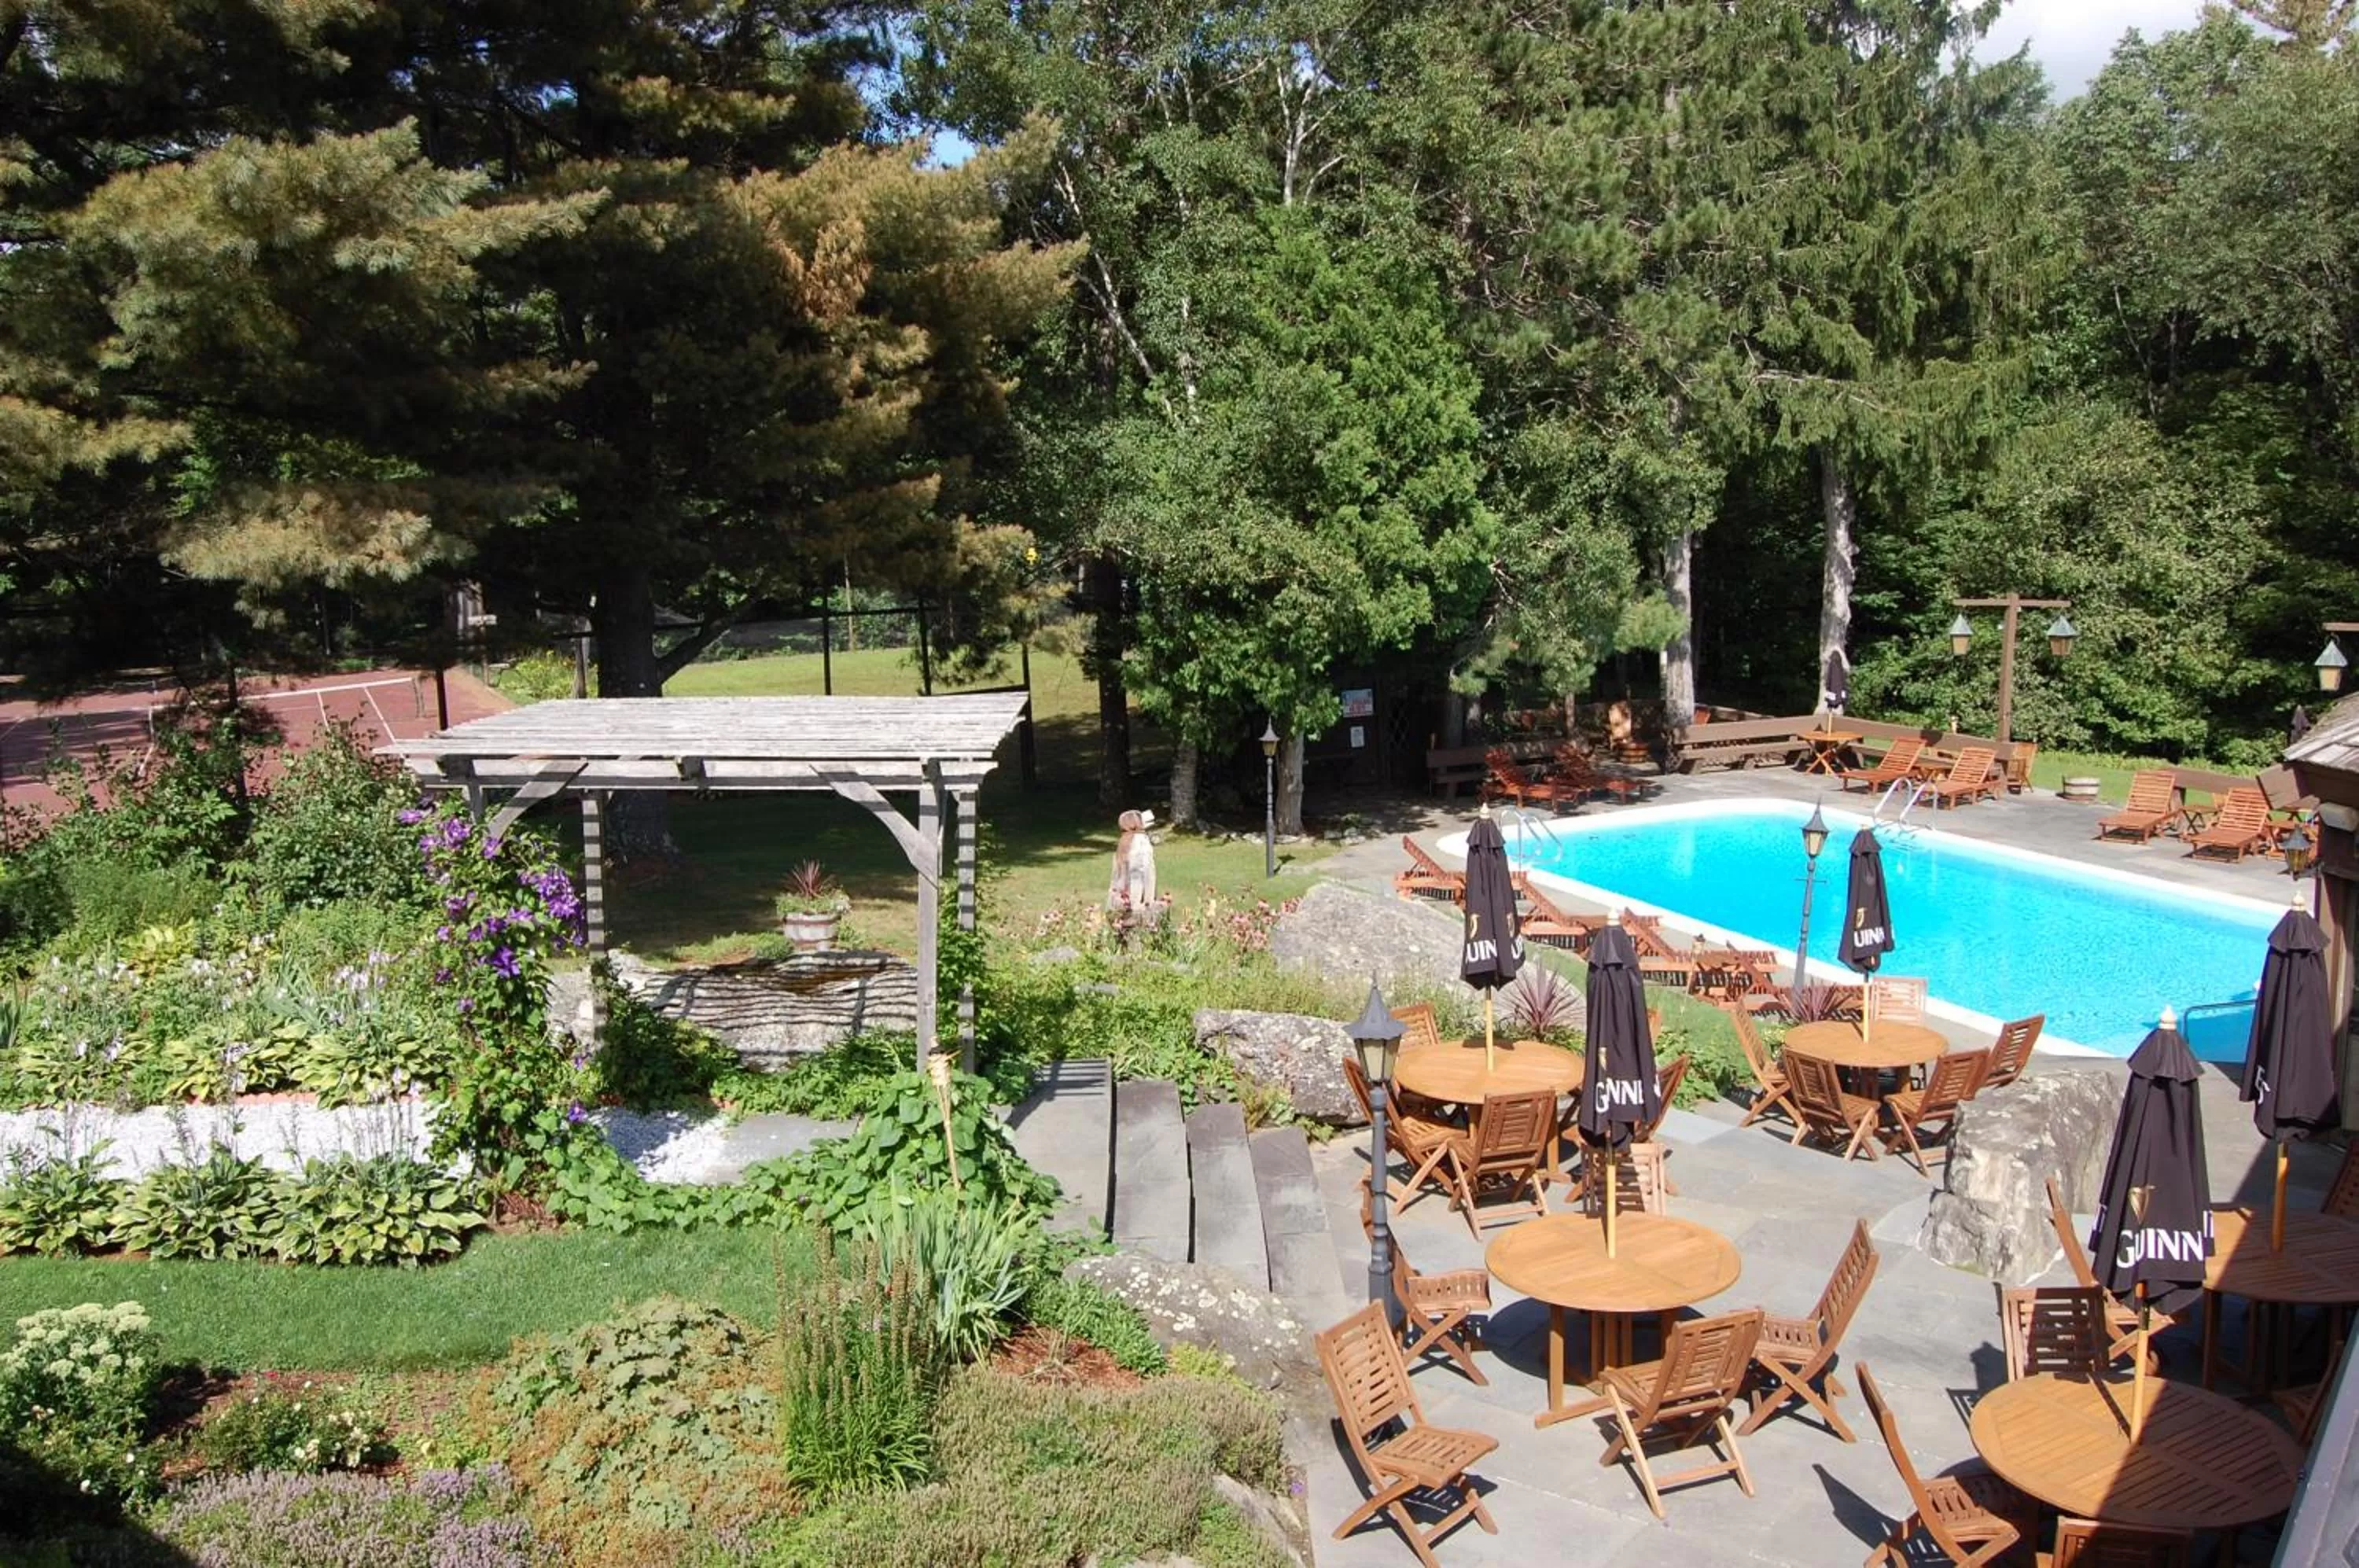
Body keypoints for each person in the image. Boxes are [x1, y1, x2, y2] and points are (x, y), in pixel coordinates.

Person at [1108, 808, 1159, 913]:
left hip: (1122, 899)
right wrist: (1147, 901)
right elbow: (1144, 872)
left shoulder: (1124, 842)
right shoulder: (1141, 841)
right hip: (1137, 902)